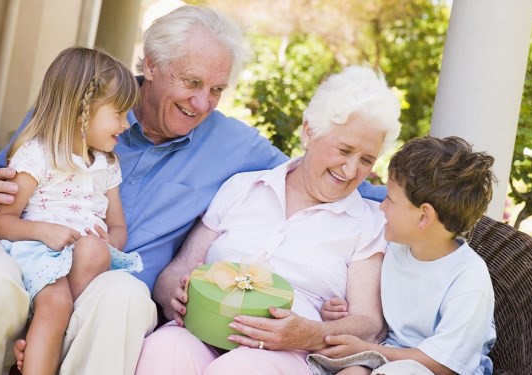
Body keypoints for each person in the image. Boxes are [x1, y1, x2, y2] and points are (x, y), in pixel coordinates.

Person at [0, 5, 386, 374]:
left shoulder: (233, 146)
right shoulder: (78, 107)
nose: (203, 103)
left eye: (216, 89)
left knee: (126, 301)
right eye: (191, 82)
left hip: (111, 279)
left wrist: (414, 204)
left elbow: (321, 172)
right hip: (25, 247)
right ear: (151, 65)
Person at [135, 65, 402, 374]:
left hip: (290, 353)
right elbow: (180, 268)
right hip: (203, 329)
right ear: (309, 131)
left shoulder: (367, 223)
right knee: (164, 349)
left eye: (366, 159)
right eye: (344, 150)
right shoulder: (243, 187)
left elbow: (370, 324)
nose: (351, 169)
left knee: (238, 370)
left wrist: (310, 333)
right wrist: (172, 294)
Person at [0, 47, 144, 375]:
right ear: (80, 112)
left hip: (86, 260)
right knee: (56, 303)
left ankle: (36, 349)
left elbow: (118, 226)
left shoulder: (107, 165)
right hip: (40, 251)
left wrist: (108, 242)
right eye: (118, 113)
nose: (126, 124)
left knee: (92, 252)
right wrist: (45, 231)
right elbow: (2, 223)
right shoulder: (37, 156)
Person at [308, 136, 497, 375]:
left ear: (424, 217)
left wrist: (365, 348)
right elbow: (372, 306)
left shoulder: (468, 278)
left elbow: (445, 363)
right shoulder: (396, 248)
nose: (382, 207)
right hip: (388, 357)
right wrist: (339, 310)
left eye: (390, 199)